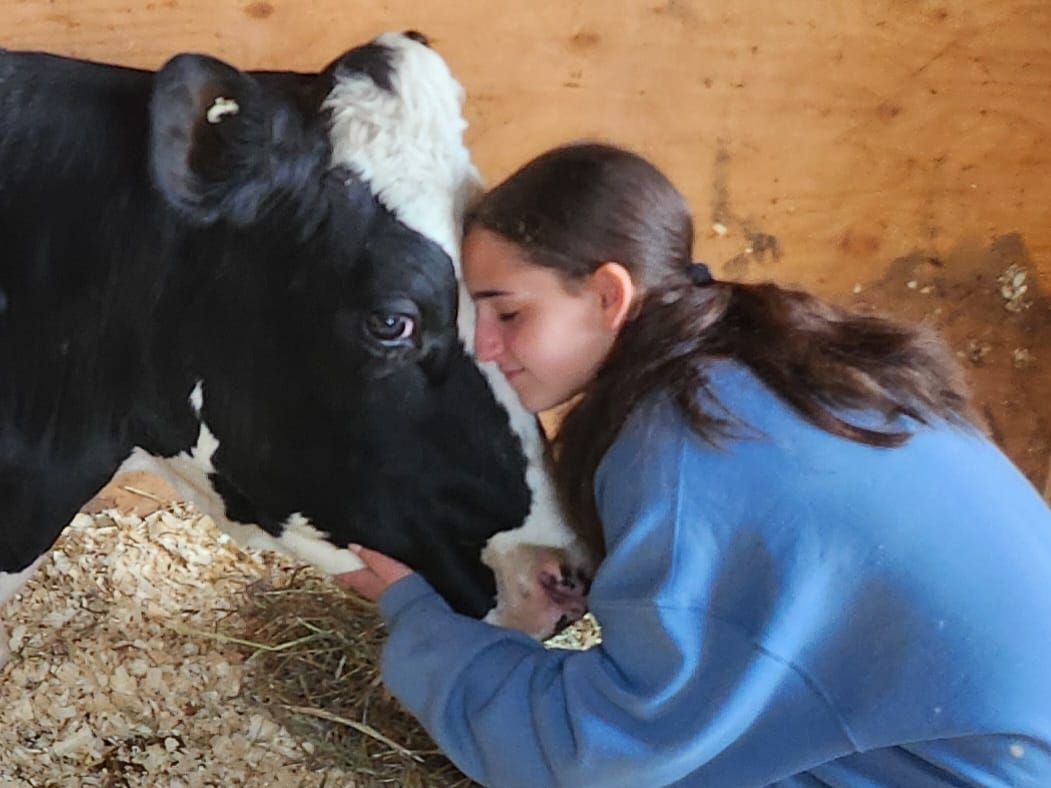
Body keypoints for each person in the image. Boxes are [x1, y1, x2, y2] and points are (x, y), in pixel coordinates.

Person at [336, 141, 1051, 787]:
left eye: (509, 314)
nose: (485, 347)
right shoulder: (759, 359)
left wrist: (426, 630)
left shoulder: (679, 445)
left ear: (609, 296)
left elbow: (587, 757)